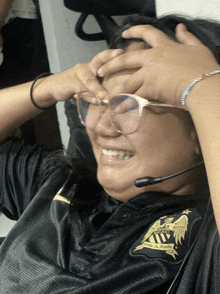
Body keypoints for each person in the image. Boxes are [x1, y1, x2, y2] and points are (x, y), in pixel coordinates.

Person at [0, 14, 220, 293]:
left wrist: (205, 85)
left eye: (129, 106)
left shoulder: (203, 246)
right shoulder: (60, 185)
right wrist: (46, 89)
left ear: (200, 126)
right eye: (99, 102)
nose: (101, 126)